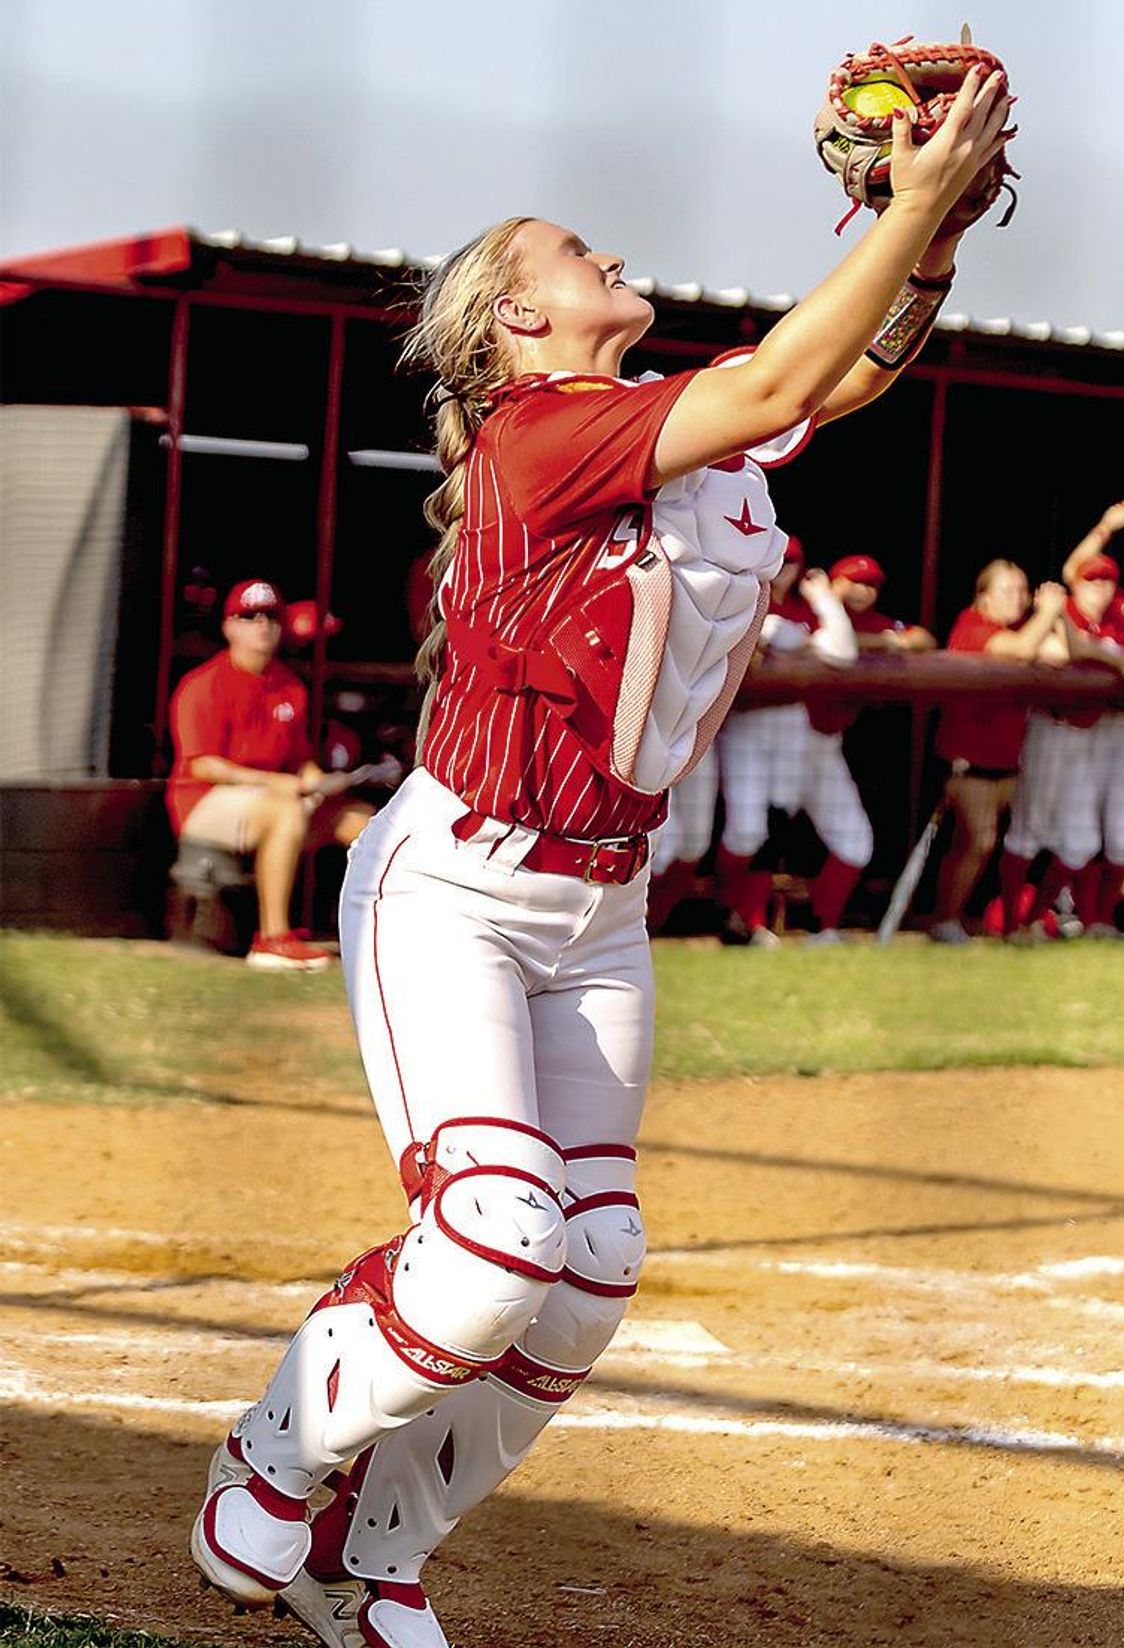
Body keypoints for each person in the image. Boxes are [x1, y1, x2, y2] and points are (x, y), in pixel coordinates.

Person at [190, 70, 1013, 1648]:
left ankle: (374, 1562)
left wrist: (938, 234)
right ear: (515, 324)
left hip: (604, 901)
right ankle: (277, 1452)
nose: (609, 250)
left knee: (591, 1270)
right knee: (497, 1242)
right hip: (457, 890)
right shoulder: (538, 437)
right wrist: (906, 203)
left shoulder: (654, 431)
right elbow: (782, 384)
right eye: (573, 249)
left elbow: (833, 378)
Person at [167, 578, 374, 970]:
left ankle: (380, 936)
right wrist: (281, 784)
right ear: (229, 626)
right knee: (284, 809)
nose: (261, 625)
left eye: (270, 617)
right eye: (249, 617)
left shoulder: (288, 686)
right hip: (203, 803)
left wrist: (319, 780)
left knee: (365, 823)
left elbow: (300, 761)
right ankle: (272, 939)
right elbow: (203, 765)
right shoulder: (204, 684)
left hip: (274, 799)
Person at [716, 552, 869, 944]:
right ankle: (732, 913)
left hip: (795, 731)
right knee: (744, 833)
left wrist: (822, 602)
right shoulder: (744, 595)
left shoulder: (806, 607)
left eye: (791, 563)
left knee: (777, 826)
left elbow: (843, 651)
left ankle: (759, 923)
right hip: (744, 727)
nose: (784, 569)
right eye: (778, 560)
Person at [930, 560, 1067, 944]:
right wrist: (1050, 611)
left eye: (1023, 590)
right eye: (1008, 590)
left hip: (1007, 761)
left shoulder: (1016, 629)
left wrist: (1054, 624)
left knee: (986, 843)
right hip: (969, 762)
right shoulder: (973, 625)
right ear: (984, 596)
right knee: (979, 840)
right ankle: (945, 920)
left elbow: (1057, 653)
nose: (1019, 598)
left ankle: (989, 922)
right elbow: (1022, 651)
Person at [1005, 552, 1124, 940]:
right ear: (1076, 584)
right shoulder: (1058, 611)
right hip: (1050, 728)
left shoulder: (1112, 623)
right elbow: (1061, 652)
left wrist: (1102, 655)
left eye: (1106, 582)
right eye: (1091, 581)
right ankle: (1013, 924)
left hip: (1088, 733)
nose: (1100, 589)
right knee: (1027, 831)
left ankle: (1034, 921)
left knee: (1081, 844)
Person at [829, 553, 936, 650]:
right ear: (835, 584)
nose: (864, 590)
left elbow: (925, 639)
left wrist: (891, 641)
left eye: (870, 584)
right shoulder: (814, 614)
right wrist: (885, 641)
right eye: (856, 581)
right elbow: (835, 640)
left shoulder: (876, 621)